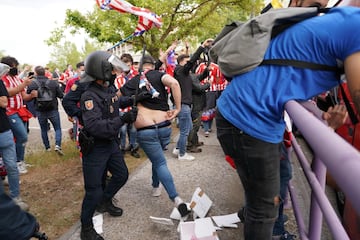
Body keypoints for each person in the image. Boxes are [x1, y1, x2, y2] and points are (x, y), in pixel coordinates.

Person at [215, 6, 360, 240]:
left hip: (254, 119)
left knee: (282, 176)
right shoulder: (356, 25)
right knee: (264, 208)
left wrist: (318, 116)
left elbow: (292, 75)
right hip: (248, 120)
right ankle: (256, 214)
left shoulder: (339, 21)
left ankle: (255, 212)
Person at [120, 54, 190, 217]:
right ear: (152, 65)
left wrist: (132, 98)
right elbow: (174, 83)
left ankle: (176, 199)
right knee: (157, 158)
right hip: (164, 125)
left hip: (146, 128)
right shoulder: (160, 75)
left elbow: (117, 97)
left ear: (140, 66)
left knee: (158, 161)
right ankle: (155, 184)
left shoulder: (135, 80)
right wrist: (178, 108)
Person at [78, 50, 137, 240]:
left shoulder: (108, 89)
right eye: (112, 69)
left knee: (121, 174)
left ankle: (105, 201)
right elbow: (95, 126)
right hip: (95, 147)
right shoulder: (89, 96)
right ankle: (86, 228)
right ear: (102, 70)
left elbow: (116, 102)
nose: (115, 72)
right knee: (93, 191)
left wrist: (137, 98)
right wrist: (122, 120)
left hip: (110, 143)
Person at [172, 38, 214, 161]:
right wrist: (202, 47)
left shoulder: (186, 74)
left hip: (187, 105)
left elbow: (198, 77)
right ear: (181, 63)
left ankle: (178, 148)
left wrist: (207, 71)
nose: (190, 63)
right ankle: (182, 154)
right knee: (186, 130)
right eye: (187, 62)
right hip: (183, 105)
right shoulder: (180, 71)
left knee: (188, 129)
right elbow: (192, 63)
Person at [0, 63, 28, 210]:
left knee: (11, 165)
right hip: (7, 123)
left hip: (3, 130)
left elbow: (4, 102)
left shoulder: (1, 82)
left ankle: (15, 198)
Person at [1, 56, 36, 174]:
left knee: (22, 137)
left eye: (16, 67)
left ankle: (20, 161)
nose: (15, 69)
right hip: (10, 112)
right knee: (22, 136)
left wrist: (32, 95)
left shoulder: (16, 78)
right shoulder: (3, 79)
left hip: (20, 111)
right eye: (13, 67)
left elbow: (23, 96)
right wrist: (23, 84)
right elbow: (8, 93)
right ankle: (16, 162)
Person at [26, 66, 64, 154]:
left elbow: (28, 96)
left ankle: (47, 148)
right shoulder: (53, 83)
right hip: (53, 108)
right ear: (45, 73)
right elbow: (60, 95)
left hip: (40, 109)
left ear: (35, 73)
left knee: (43, 129)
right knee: (57, 128)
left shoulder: (32, 84)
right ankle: (58, 145)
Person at [115, 53, 140, 158]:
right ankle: (122, 147)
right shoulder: (118, 79)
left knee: (133, 129)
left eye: (129, 65)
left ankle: (133, 147)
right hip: (122, 107)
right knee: (123, 129)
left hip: (134, 106)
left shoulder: (137, 76)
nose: (127, 68)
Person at [187, 71, 210, 153]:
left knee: (196, 125)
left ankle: (195, 142)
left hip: (197, 104)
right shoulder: (190, 76)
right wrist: (208, 84)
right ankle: (190, 145)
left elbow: (200, 77)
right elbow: (199, 88)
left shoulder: (191, 76)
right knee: (195, 125)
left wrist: (207, 69)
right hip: (195, 104)